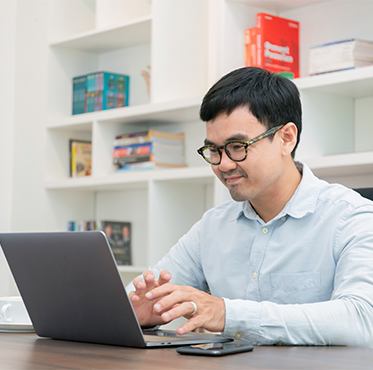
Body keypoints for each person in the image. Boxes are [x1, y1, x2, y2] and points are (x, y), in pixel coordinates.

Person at [126, 67, 373, 347]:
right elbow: (138, 299)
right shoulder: (213, 227)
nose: (224, 164)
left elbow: (362, 320)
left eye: (237, 146)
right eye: (214, 150)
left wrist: (225, 313)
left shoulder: (352, 217)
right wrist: (138, 312)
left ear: (286, 138)